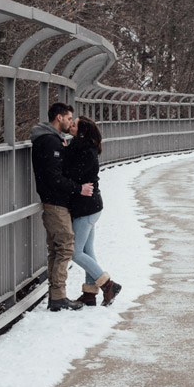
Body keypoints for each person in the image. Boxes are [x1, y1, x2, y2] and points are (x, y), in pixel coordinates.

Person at [30, 102, 93, 312]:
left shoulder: (52, 140)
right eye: (68, 119)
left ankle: (56, 296)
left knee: (56, 250)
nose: (69, 123)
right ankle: (58, 297)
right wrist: (78, 189)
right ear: (59, 117)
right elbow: (53, 176)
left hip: (54, 202)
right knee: (65, 247)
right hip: (55, 203)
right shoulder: (50, 141)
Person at [63, 115, 122, 306]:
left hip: (87, 208)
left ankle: (108, 284)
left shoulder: (86, 152)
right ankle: (89, 294)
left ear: (81, 131)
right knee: (87, 251)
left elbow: (71, 173)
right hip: (88, 207)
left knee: (75, 252)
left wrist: (62, 154)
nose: (70, 125)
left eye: (74, 124)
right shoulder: (80, 147)